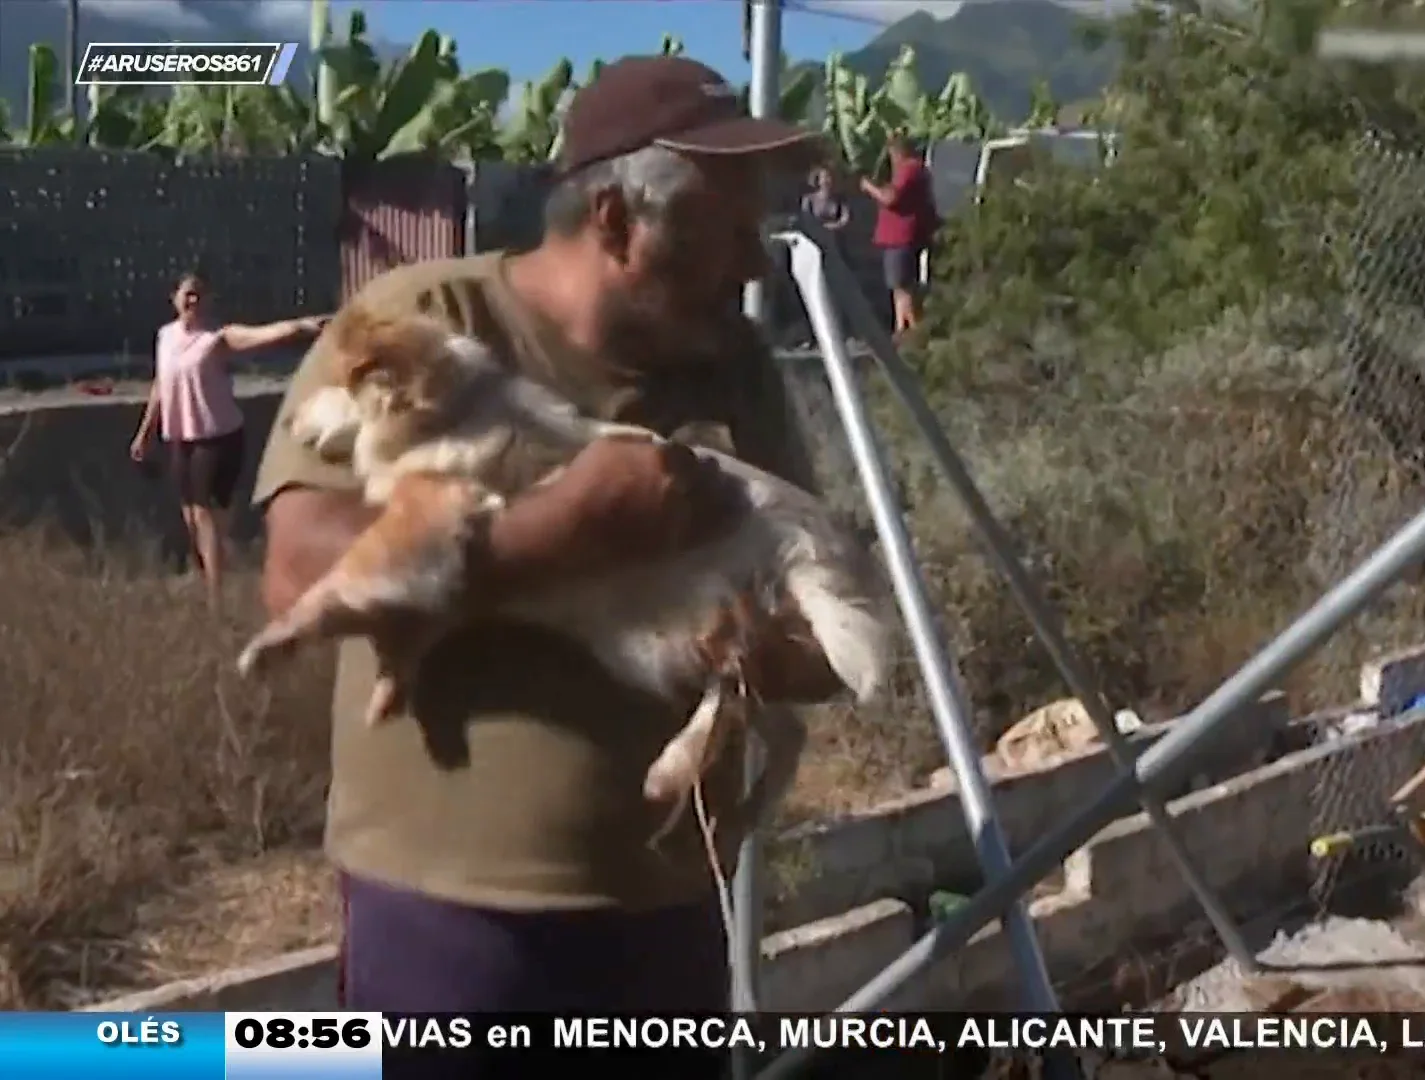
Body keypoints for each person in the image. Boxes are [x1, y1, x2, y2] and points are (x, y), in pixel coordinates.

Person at [253, 56, 844, 1022]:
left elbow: (818, 622)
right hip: (455, 922)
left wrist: (769, 652)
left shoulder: (734, 371)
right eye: (729, 230)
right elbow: (297, 574)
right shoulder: (426, 322)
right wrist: (564, 531)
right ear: (616, 221)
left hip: (672, 917)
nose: (754, 264)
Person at [129, 271, 325, 603]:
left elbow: (266, 335)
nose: (193, 300)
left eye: (199, 294)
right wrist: (144, 433)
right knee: (190, 512)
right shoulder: (165, 337)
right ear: (174, 298)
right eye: (187, 293)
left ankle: (215, 597)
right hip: (182, 435)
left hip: (218, 437)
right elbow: (161, 385)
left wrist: (305, 326)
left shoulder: (216, 338)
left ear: (208, 300)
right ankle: (211, 574)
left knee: (206, 514)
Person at [860, 134, 939, 340]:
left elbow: (891, 198)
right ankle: (901, 331)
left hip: (901, 237)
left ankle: (913, 332)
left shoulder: (909, 169)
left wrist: (870, 187)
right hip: (900, 238)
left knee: (903, 288)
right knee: (899, 289)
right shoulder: (914, 171)